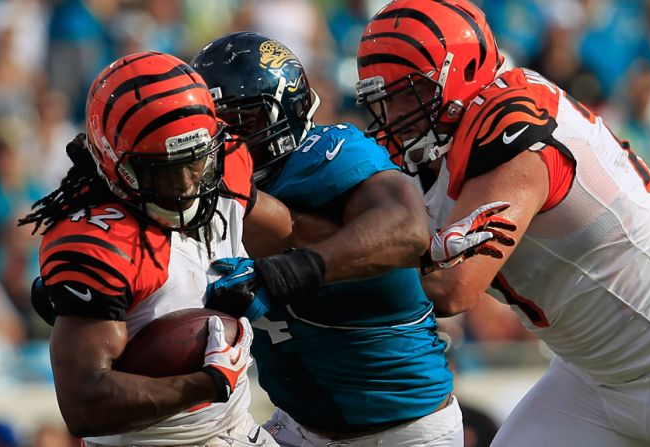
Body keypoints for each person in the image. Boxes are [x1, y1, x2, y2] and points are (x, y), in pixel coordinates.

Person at [355, 1, 650, 446]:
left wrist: (333, 266)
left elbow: (454, 287)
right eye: (384, 98)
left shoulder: (514, 128)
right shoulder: (434, 144)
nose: (394, 115)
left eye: (406, 93)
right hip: (589, 377)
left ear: (462, 72)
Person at [191, 32, 516, 447]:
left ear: (284, 109)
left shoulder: (329, 152)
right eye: (215, 126)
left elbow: (404, 228)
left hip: (399, 430)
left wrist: (288, 272)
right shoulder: (201, 189)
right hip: (297, 424)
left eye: (243, 122)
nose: (228, 140)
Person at [18, 51, 279, 446]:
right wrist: (206, 382)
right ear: (113, 163)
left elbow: (287, 229)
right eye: (165, 170)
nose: (189, 183)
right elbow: (83, 405)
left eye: (196, 162)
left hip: (239, 425)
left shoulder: (226, 163)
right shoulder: (101, 243)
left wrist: (283, 274)